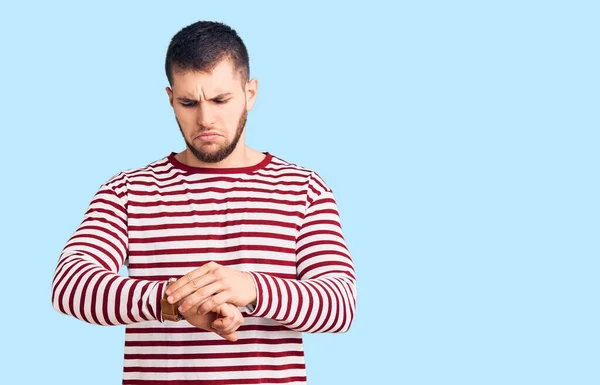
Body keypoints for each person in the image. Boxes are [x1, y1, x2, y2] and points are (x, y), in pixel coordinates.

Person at [51, 20, 356, 384]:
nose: (205, 118)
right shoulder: (127, 191)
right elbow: (70, 284)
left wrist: (253, 288)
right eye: (189, 102)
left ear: (251, 93)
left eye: (220, 99)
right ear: (170, 100)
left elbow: (339, 304)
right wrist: (175, 301)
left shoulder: (304, 188)